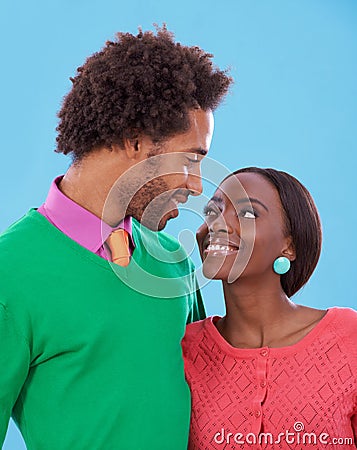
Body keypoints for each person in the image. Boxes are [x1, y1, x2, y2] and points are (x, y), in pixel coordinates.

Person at [0, 26, 232, 449]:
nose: (198, 186)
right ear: (136, 141)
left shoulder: (173, 261)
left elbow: (213, 404)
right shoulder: (9, 272)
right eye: (192, 158)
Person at [182, 167, 357, 449]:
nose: (219, 223)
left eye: (248, 214)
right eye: (212, 212)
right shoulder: (184, 350)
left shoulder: (349, 338)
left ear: (289, 246)